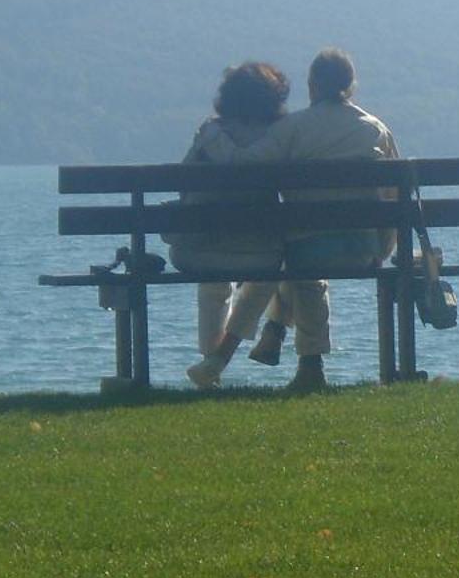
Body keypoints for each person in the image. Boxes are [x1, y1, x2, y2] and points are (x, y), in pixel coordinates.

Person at [229, 46, 399, 392]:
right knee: (301, 258)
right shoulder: (375, 130)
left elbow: (245, 165)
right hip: (363, 248)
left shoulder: (294, 128)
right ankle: (282, 338)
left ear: (312, 85)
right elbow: (395, 197)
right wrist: (382, 247)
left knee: (297, 261)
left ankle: (306, 360)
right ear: (351, 85)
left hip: (305, 250)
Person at [164, 62, 295, 388]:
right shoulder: (279, 138)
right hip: (258, 254)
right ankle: (217, 361)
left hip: (195, 252)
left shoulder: (209, 133)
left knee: (212, 280)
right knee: (270, 272)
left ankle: (211, 365)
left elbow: (184, 187)